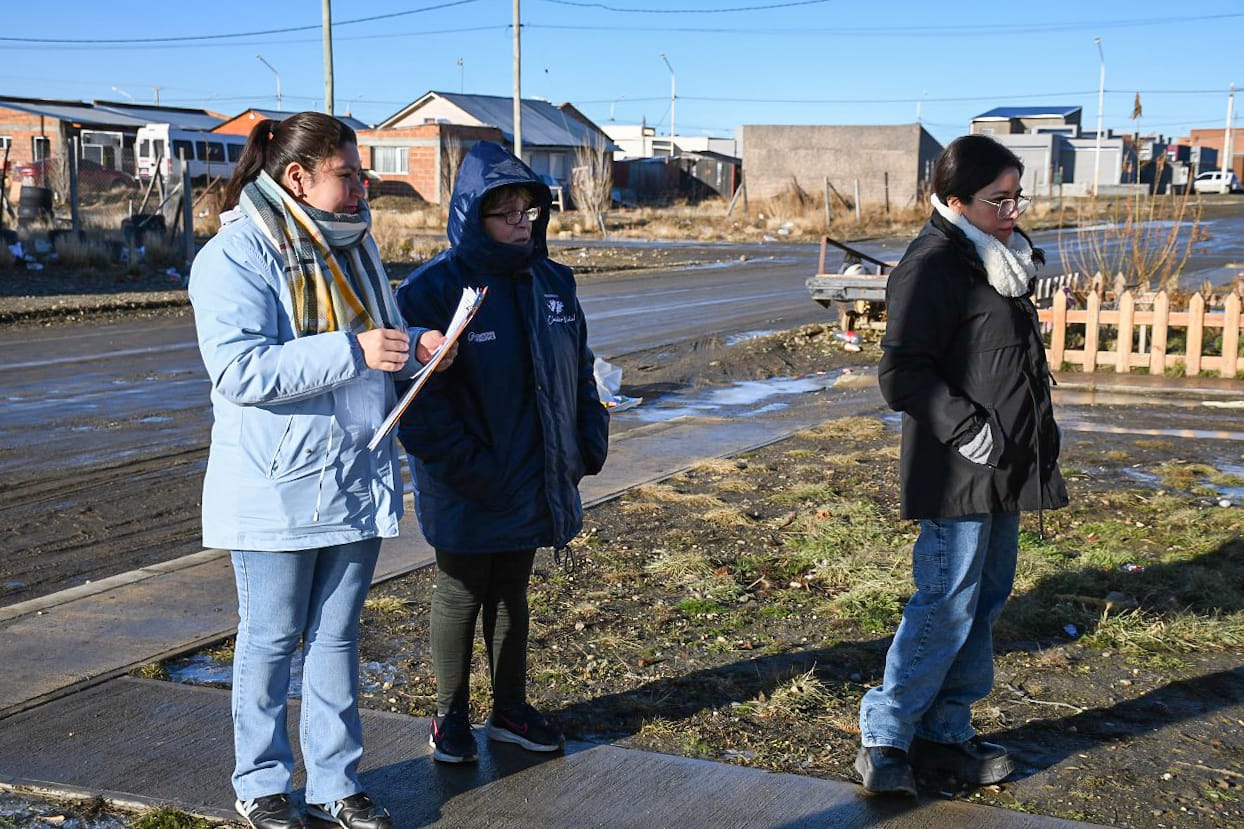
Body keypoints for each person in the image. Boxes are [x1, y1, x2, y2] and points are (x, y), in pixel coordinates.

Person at [189, 111, 453, 829]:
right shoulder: (235, 255)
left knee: (337, 636)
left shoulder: (355, 245)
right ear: (298, 176)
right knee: (272, 637)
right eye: (348, 174)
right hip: (276, 485)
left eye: (362, 172)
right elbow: (241, 369)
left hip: (355, 470)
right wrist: (354, 350)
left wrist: (419, 343)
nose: (363, 185)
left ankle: (335, 783)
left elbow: (381, 333)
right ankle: (261, 782)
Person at [855, 134, 1068, 795]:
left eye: (1016, 196)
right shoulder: (933, 265)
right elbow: (901, 373)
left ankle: (945, 735)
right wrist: (965, 426)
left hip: (1003, 464)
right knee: (945, 602)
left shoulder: (997, 259)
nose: (1012, 210)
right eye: (997, 199)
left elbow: (1012, 366)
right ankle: (886, 737)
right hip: (957, 468)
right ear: (955, 200)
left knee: (986, 600)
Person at [395, 141, 609, 764]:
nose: (522, 223)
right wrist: (472, 468)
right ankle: (449, 718)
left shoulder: (552, 280)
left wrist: (586, 438)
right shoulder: (431, 290)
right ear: (470, 214)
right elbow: (420, 406)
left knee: (513, 589)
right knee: (461, 589)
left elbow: (579, 367)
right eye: (506, 212)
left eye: (529, 211)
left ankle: (510, 710)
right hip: (465, 476)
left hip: (536, 469)